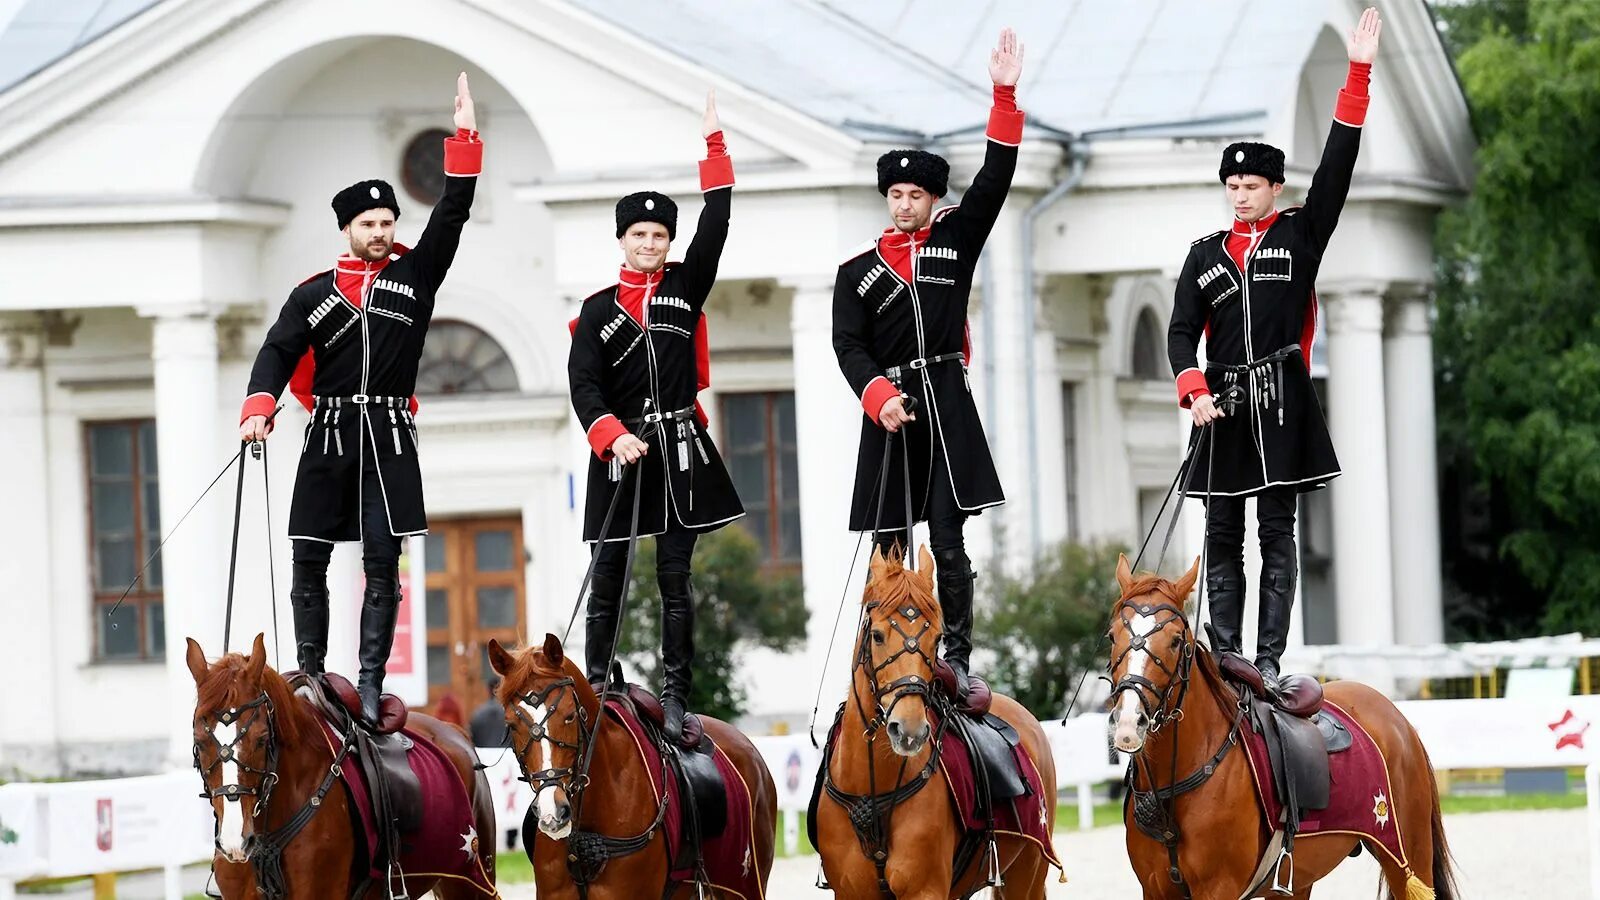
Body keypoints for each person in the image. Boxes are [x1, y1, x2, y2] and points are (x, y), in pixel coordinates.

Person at [239, 73, 483, 726]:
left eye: (387, 221)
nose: (380, 231)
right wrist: (258, 408)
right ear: (346, 227)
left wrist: (464, 141)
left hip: (390, 438)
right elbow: (276, 353)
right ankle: (313, 677)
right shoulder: (312, 294)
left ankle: (371, 684)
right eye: (368, 223)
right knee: (308, 555)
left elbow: (452, 214)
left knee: (383, 562)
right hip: (329, 435)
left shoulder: (416, 274)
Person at [1167, 8, 1383, 691]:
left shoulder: (1300, 234)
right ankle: (1226, 656)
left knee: (1277, 535)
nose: (1239, 196)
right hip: (1224, 405)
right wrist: (1193, 390)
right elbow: (1179, 332)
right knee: (1221, 533)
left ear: (1275, 188)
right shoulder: (1203, 256)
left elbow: (1339, 165)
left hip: (1283, 397)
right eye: (1231, 187)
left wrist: (1357, 74)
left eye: (1250, 186)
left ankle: (1267, 660)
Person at [831, 29, 1025, 699]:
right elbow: (847, 345)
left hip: (945, 399)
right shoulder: (856, 270)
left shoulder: (956, 240)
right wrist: (877, 394)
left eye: (916, 194)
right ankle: (880, 657)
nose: (905, 203)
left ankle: (957, 659)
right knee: (889, 548)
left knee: (946, 541)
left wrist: (1003, 96)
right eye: (896, 195)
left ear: (932, 198)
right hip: (888, 411)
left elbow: (997, 179)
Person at [567, 90, 743, 742]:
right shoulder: (595, 310)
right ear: (622, 239)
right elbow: (583, 385)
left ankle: (675, 696)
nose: (650, 243)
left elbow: (718, 226)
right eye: (639, 234)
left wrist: (715, 152)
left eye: (660, 234)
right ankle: (600, 680)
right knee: (608, 570)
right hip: (617, 454)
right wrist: (612, 438)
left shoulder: (683, 286)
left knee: (675, 579)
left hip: (678, 450)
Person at [469, 678, 510, 748]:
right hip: (506, 755)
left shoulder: (478, 713)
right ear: (502, 689)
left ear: (488, 690)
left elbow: (472, 737)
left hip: (483, 755)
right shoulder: (509, 713)